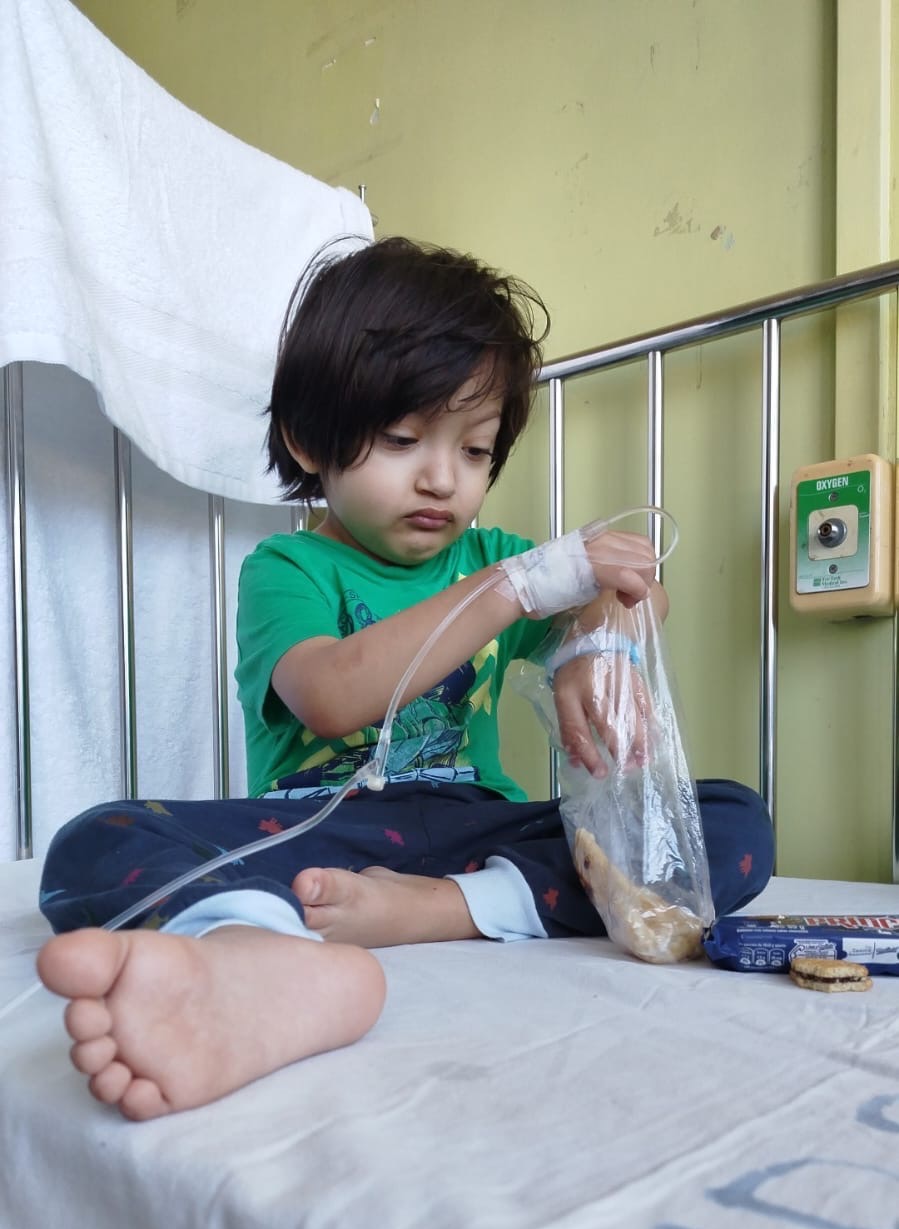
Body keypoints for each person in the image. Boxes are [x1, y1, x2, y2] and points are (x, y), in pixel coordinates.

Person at [37, 237, 774, 1120]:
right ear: (308, 439)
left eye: (475, 450)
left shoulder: (493, 555)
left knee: (733, 820)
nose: (441, 478)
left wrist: (599, 644)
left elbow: (634, 590)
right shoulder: (291, 569)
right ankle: (258, 954)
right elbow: (331, 694)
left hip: (477, 829)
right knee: (96, 840)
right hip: (322, 836)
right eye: (401, 439)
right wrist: (516, 588)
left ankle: (446, 909)